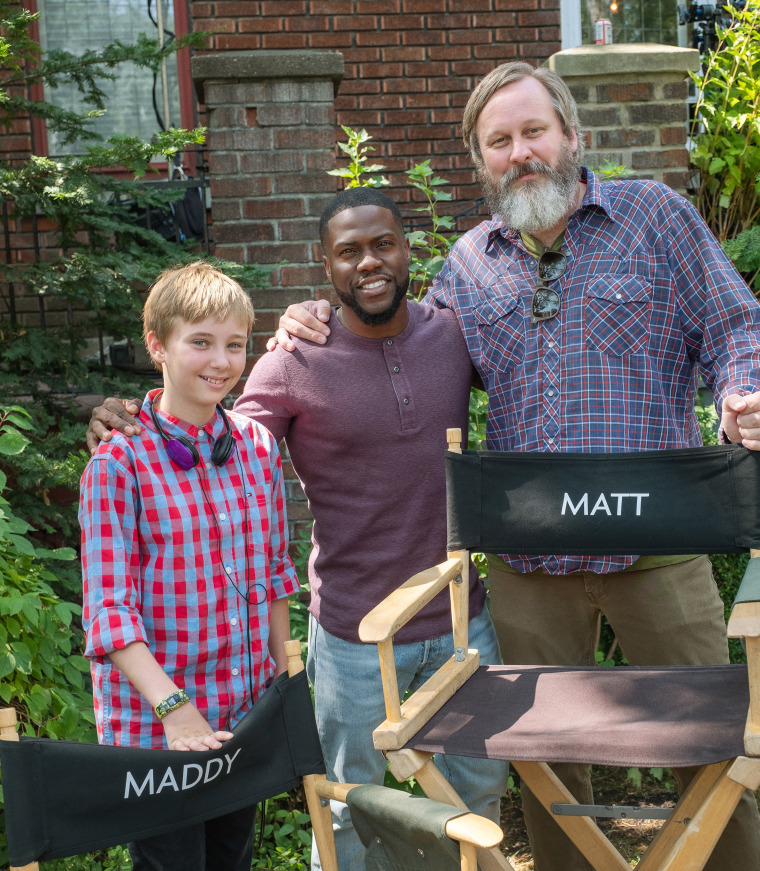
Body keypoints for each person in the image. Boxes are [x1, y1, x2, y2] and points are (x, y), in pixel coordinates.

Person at [268, 63, 760, 871]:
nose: (521, 152)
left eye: (534, 131)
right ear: (481, 161)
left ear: (572, 135)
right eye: (500, 141)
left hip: (661, 549)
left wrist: (744, 389)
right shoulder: (468, 265)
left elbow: (736, 324)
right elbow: (403, 352)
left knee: (717, 755)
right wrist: (317, 319)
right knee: (544, 770)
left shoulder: (657, 218)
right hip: (533, 566)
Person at [85, 189, 510, 871]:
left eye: (383, 244)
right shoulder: (290, 362)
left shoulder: (454, 335)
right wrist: (119, 416)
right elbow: (203, 416)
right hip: (350, 632)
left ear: (408, 250)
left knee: (478, 788)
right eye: (348, 251)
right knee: (347, 804)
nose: (368, 262)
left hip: (462, 618)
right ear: (326, 265)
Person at [80, 261, 299, 871]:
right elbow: (109, 615)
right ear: (158, 344)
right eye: (199, 342)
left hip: (243, 717)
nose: (220, 361)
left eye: (234, 344)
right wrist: (175, 712)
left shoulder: (256, 447)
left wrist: (283, 684)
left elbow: (276, 574)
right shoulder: (117, 463)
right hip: (159, 729)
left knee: (232, 858)